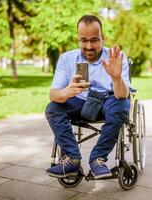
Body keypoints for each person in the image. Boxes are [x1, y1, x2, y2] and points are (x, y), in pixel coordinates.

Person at [45, 15, 130, 179]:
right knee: (52, 109)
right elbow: (53, 95)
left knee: (123, 105)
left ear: (102, 39)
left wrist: (116, 77)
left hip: (108, 102)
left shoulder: (116, 58)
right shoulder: (66, 59)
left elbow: (122, 95)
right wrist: (67, 91)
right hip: (79, 100)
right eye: (84, 40)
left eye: (94, 40)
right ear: (78, 39)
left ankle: (97, 159)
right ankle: (72, 159)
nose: (89, 46)